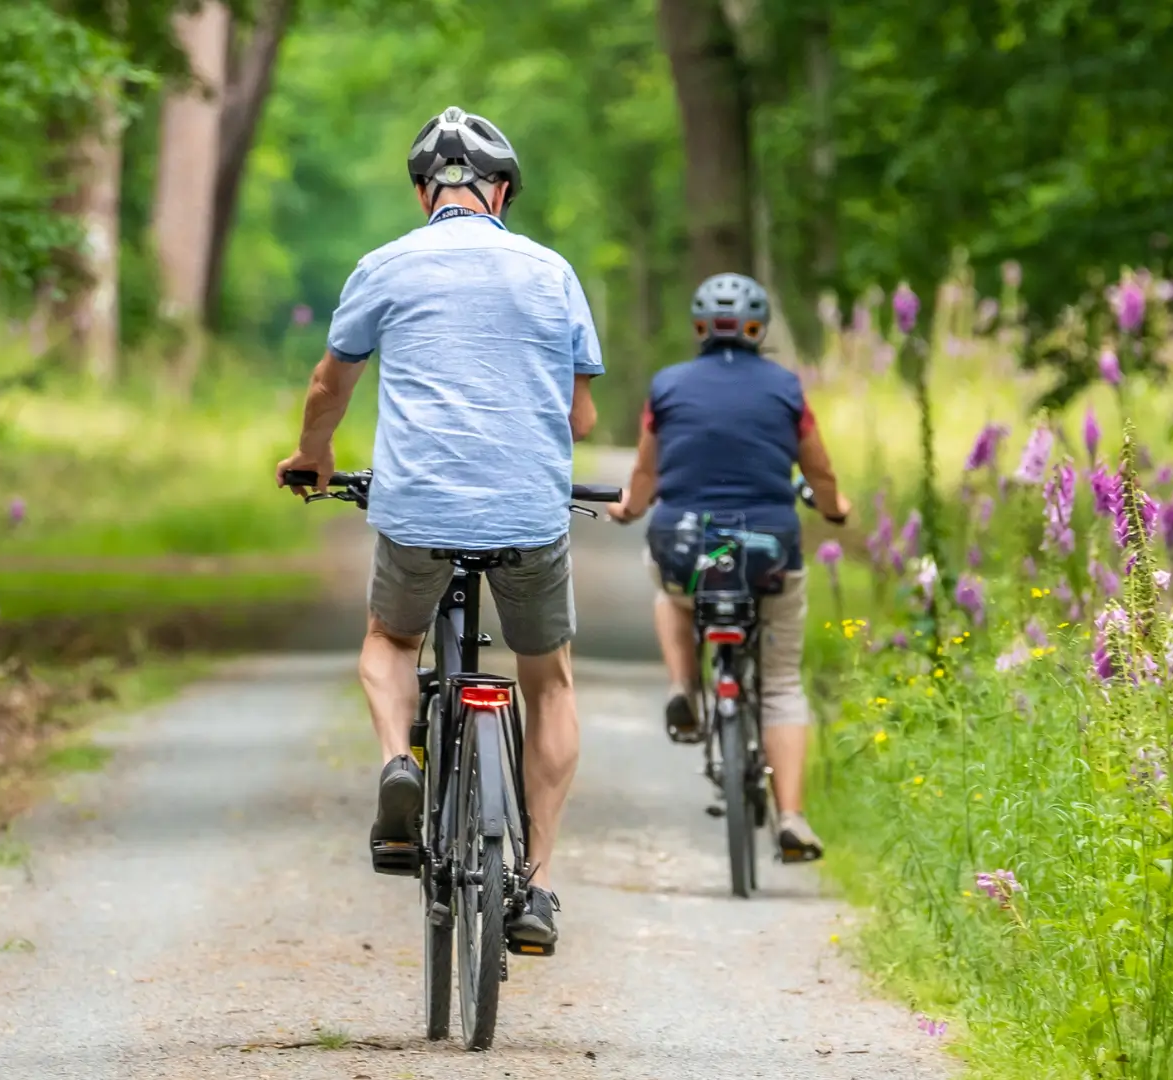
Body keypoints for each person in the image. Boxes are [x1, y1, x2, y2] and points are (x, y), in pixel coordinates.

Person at [275, 106, 603, 948]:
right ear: (501, 192)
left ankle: (398, 762)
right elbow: (583, 414)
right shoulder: (551, 271)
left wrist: (315, 456)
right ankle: (535, 888)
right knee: (550, 679)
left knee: (390, 640)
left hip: (418, 507)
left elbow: (328, 385)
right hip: (529, 511)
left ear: (426, 192)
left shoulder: (384, 265)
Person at [606, 273, 848, 862]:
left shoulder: (667, 386)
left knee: (669, 588)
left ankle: (684, 685)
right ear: (758, 327)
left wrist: (630, 509)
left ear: (698, 328)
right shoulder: (787, 388)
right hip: (769, 549)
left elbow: (645, 474)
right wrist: (837, 509)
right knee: (784, 684)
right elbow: (819, 473)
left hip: (686, 545)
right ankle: (791, 816)